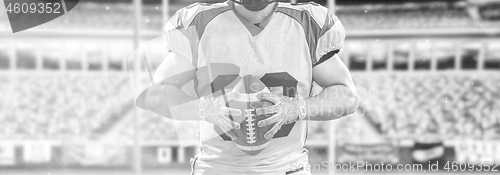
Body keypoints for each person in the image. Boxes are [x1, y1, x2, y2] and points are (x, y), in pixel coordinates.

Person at [136, 0, 359, 174]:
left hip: (287, 168)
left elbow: (347, 95)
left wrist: (296, 108)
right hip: (217, 168)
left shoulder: (308, 22)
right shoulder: (199, 22)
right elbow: (157, 94)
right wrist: (204, 109)